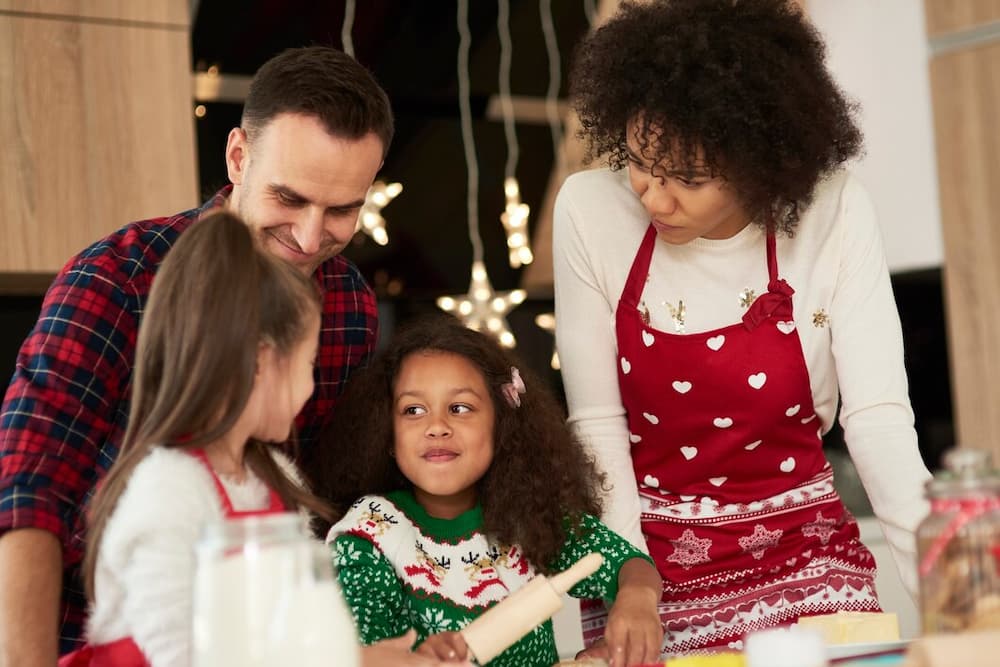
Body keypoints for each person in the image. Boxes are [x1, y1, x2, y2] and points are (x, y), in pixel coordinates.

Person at [0, 45, 407, 665]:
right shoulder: (119, 279)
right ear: (239, 156)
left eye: (342, 210)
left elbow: (321, 512)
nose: (308, 237)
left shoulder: (349, 302)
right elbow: (29, 488)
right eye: (289, 198)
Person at [552, 0, 932, 656]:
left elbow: (877, 424)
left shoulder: (833, 210)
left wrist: (954, 592)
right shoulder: (590, 210)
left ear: (762, 167)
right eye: (641, 159)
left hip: (804, 554)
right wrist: (628, 577)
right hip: (647, 558)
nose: (653, 196)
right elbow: (596, 425)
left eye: (689, 179)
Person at [57, 210, 334, 665]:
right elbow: (175, 653)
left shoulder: (280, 481)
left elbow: (303, 624)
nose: (311, 386)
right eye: (309, 366)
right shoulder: (168, 491)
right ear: (261, 362)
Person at [307, 316, 664, 667]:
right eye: (413, 410)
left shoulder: (525, 513)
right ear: (386, 434)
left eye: (459, 408)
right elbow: (362, 655)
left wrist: (636, 598)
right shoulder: (369, 536)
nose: (436, 427)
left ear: (501, 426)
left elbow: (625, 564)